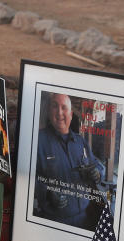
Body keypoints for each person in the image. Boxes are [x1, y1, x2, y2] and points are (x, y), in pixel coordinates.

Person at [33, 93, 106, 229]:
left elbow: (97, 165)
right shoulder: (38, 141)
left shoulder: (80, 142)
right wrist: (48, 192)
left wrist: (97, 173)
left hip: (84, 218)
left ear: (71, 114)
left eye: (64, 107)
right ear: (49, 112)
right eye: (55, 106)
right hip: (53, 222)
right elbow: (28, 178)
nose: (59, 112)